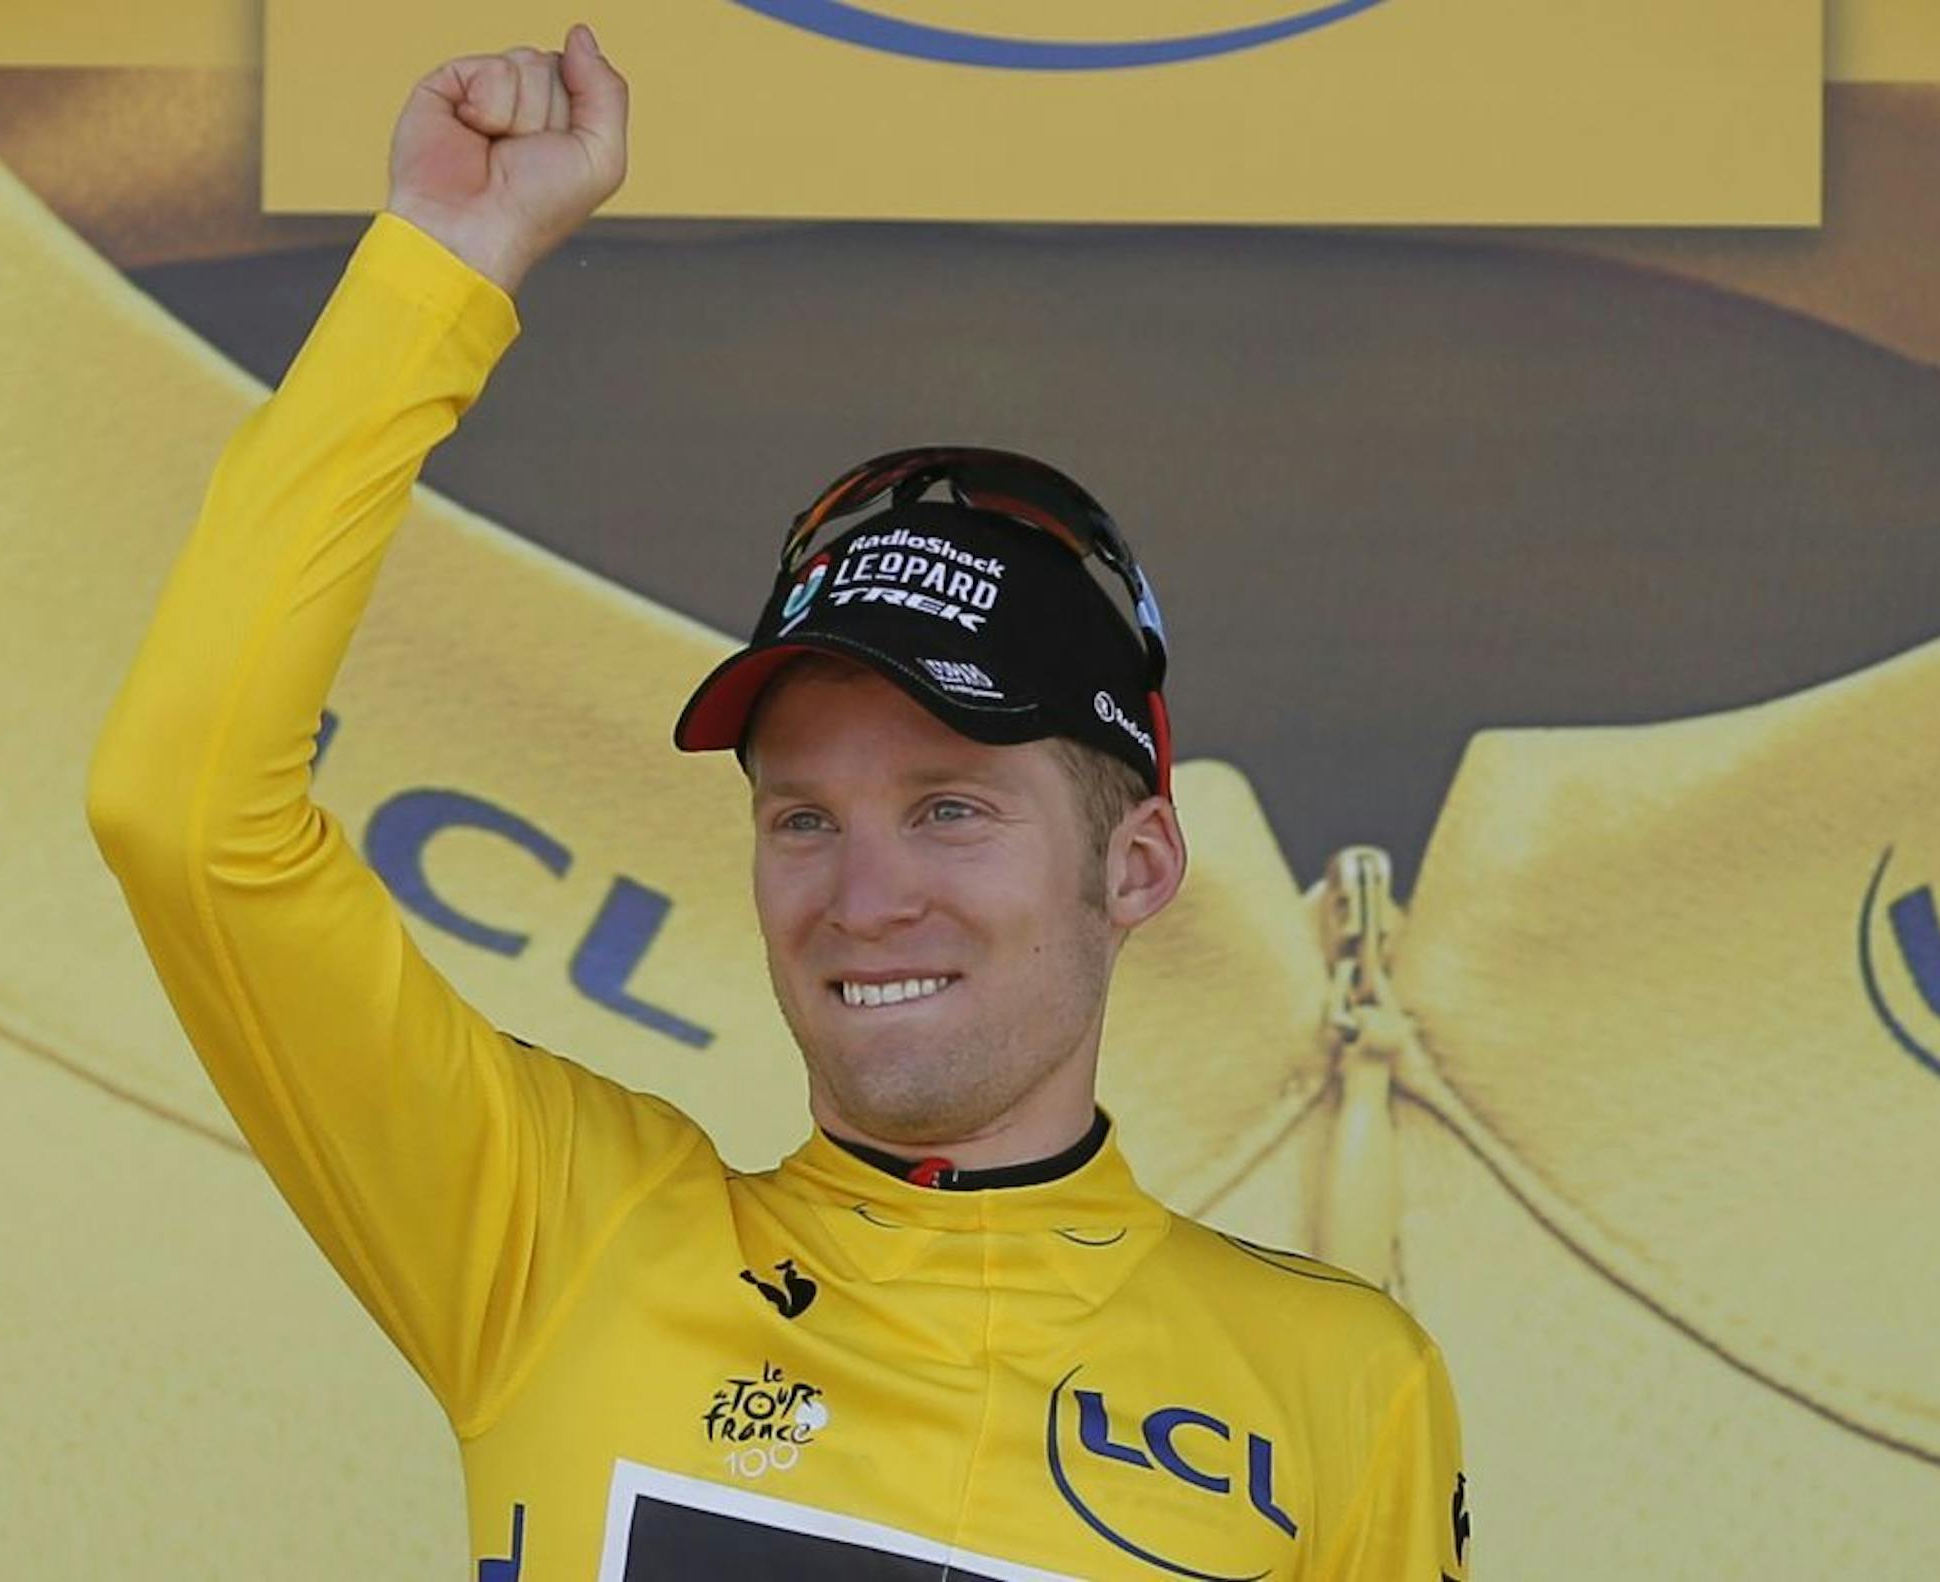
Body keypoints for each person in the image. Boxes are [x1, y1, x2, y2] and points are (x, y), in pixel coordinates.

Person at [85, 23, 1470, 1579]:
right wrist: (433, 278)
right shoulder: (561, 1234)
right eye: (803, 815)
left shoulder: (1345, 1392)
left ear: (1137, 864)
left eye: (950, 806)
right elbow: (184, 807)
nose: (864, 894)